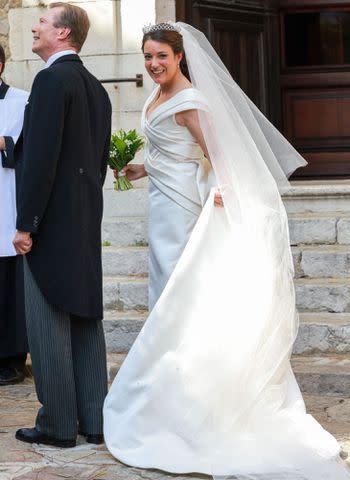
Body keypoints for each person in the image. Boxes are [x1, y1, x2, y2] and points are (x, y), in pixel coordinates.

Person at [103, 22, 350, 479]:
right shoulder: (156, 97)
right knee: (165, 300)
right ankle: (169, 400)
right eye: (147, 57)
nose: (154, 64)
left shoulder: (192, 101)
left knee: (182, 304)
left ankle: (191, 406)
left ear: (180, 57)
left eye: (161, 56)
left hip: (182, 213)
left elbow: (220, 153)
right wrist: (139, 168)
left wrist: (226, 189)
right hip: (162, 203)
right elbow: (171, 153)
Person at [13, 3, 111, 448]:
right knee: (86, 318)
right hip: (85, 219)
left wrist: (26, 223)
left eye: (43, 22)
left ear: (64, 34)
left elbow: (40, 161)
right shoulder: (96, 87)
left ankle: (56, 424)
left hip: (51, 223)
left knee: (47, 320)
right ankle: (95, 420)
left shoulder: (51, 80)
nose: (35, 27)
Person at [0, 44, 29, 386]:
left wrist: (4, 142)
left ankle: (12, 359)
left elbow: (27, 146)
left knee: (8, 283)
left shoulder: (21, 100)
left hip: (7, 200)